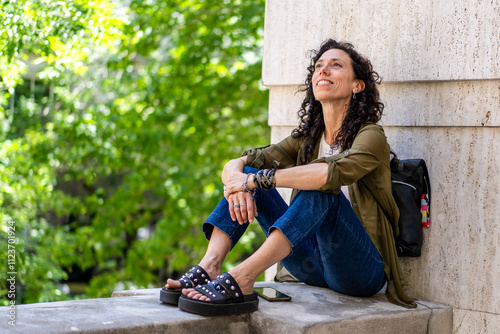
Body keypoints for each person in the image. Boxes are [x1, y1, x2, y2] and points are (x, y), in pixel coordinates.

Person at [160, 38, 416, 316]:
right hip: (310, 265)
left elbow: (327, 175)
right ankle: (210, 265)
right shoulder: (308, 139)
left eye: (336, 65)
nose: (323, 71)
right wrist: (239, 182)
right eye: (318, 67)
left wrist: (257, 181)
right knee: (247, 173)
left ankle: (243, 276)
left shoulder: (371, 136)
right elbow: (240, 163)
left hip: (359, 269)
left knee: (318, 187)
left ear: (357, 85)